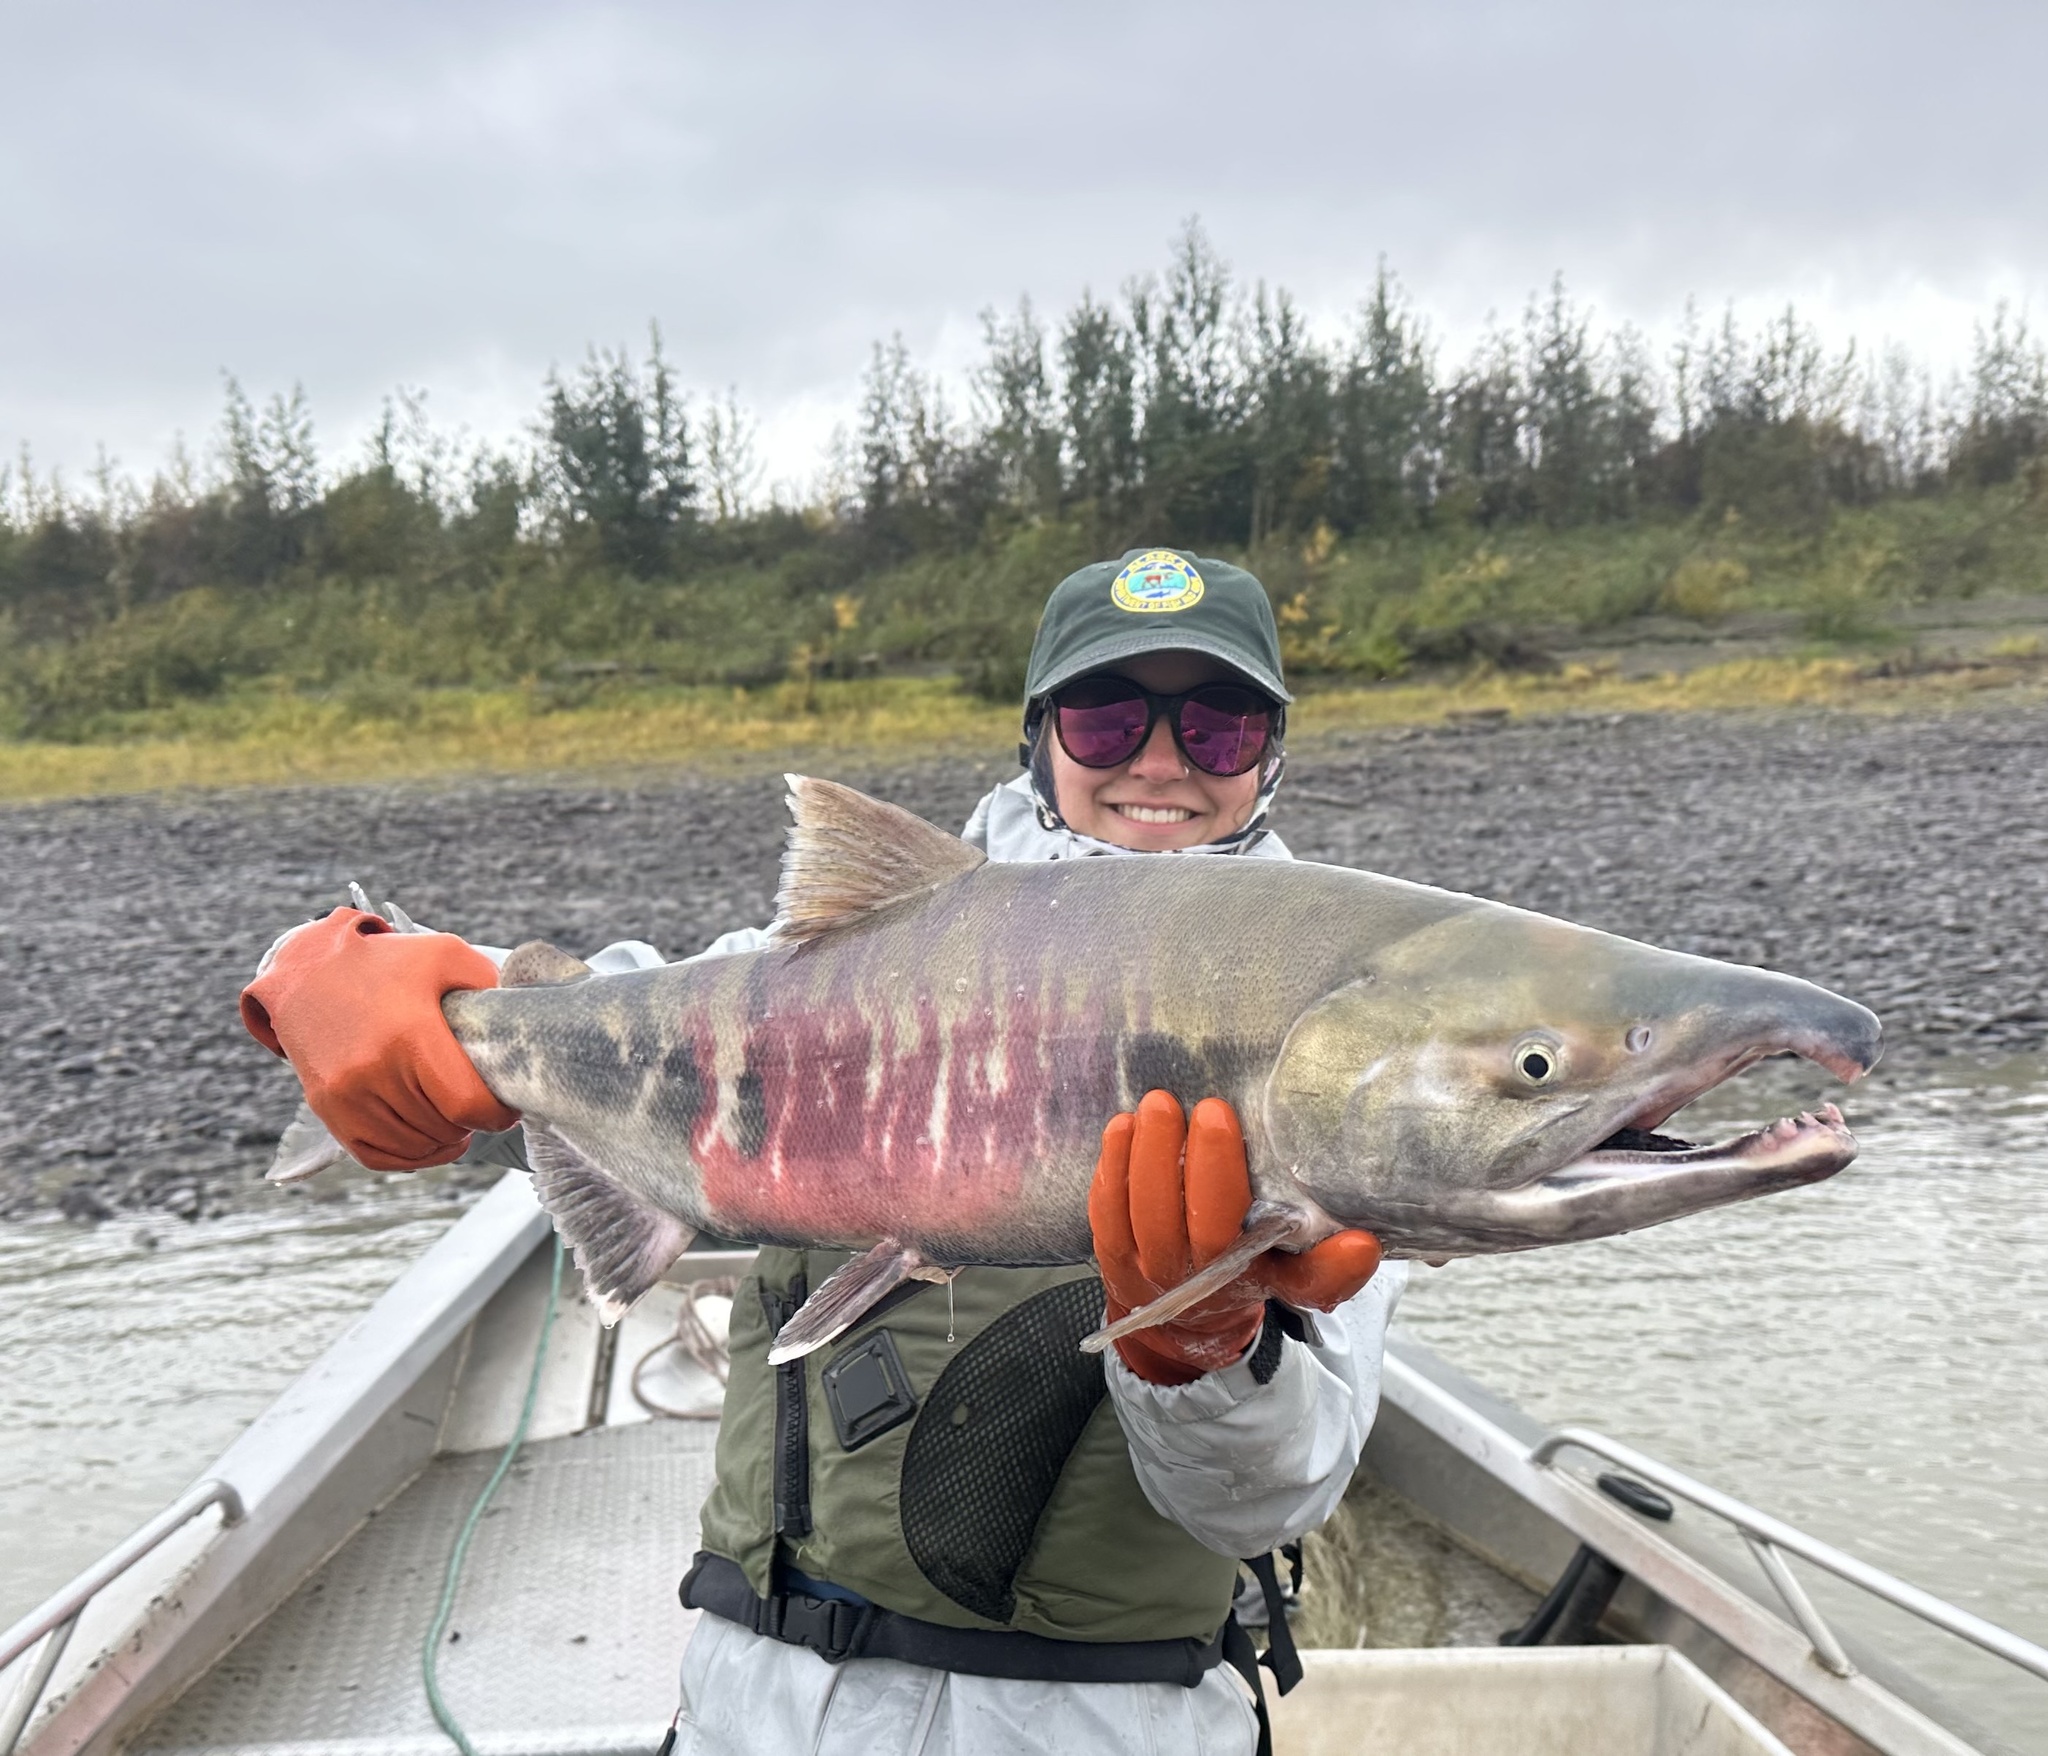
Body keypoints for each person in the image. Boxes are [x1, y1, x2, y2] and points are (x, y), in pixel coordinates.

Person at [240, 548, 1407, 1756]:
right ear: (1036, 736)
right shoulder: (842, 954)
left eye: (1215, 726)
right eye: (1106, 717)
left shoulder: (1337, 1047)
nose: (1157, 761)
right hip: (764, 1703)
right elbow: (612, 1019)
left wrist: (1202, 1351)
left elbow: (1268, 1497)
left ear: (1269, 753)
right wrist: (379, 974)